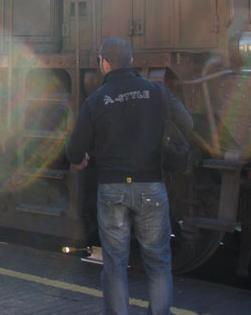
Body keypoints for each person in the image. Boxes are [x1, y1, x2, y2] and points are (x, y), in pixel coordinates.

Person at [66, 37, 192, 315]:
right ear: (132, 61)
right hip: (151, 187)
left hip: (112, 189)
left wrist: (81, 160)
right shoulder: (157, 93)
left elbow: (74, 149)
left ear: (105, 63)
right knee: (158, 260)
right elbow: (187, 122)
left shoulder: (96, 101)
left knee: (115, 263)